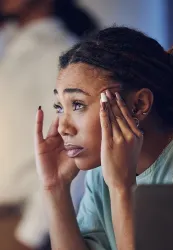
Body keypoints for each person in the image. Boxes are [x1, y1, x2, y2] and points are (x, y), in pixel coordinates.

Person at [34, 26, 173, 250]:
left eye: (77, 104)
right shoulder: (100, 176)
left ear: (139, 105)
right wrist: (55, 188)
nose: (63, 128)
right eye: (59, 107)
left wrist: (121, 188)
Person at [0, 0, 97, 249]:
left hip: (19, 226)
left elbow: (74, 149)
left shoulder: (61, 54)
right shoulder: (8, 47)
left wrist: (30, 235)